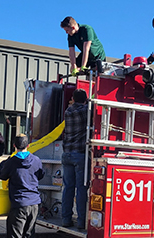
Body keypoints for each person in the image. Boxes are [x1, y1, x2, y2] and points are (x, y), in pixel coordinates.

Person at [0, 134, 44, 238]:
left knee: (15, 235)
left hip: (20, 203)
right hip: (34, 203)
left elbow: (2, 176)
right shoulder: (36, 160)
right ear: (28, 145)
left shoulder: (11, 162)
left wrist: (2, 164)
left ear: (14, 145)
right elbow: (40, 175)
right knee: (29, 234)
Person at [62, 88, 89, 229]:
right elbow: (90, 108)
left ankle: (66, 219)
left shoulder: (68, 111)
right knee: (81, 189)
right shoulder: (85, 110)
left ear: (73, 98)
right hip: (79, 153)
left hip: (66, 153)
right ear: (85, 99)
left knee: (68, 188)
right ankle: (81, 221)